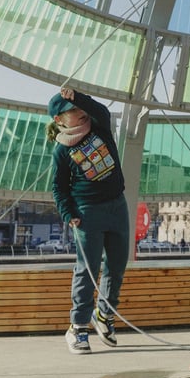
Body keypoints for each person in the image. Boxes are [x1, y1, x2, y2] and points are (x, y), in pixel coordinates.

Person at [47, 87, 130, 354]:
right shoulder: (61, 151)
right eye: (71, 111)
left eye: (80, 108)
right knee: (88, 269)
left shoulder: (99, 128)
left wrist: (78, 97)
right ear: (59, 120)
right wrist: (68, 213)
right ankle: (78, 327)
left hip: (117, 206)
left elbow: (101, 110)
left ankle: (104, 315)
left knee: (116, 265)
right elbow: (59, 187)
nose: (80, 113)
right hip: (87, 213)